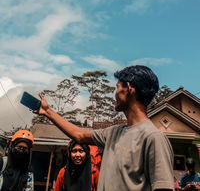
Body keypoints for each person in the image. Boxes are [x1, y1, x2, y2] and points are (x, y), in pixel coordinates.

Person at [35, 65, 174, 191]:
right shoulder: (113, 133)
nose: (115, 93)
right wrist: (48, 112)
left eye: (118, 87)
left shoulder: (153, 138)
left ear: (129, 89)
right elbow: (79, 135)